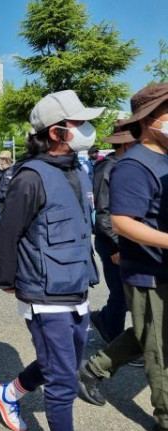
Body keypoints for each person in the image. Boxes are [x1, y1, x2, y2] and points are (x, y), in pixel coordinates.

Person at [0, 90, 102, 431]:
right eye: (78, 123)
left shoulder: (79, 171)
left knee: (62, 360)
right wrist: (8, 281)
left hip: (77, 286)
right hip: (43, 291)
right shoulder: (30, 177)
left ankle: (8, 393)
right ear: (56, 132)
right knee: (63, 380)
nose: (87, 129)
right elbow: (6, 234)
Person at [77, 82, 168, 431]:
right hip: (148, 271)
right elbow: (122, 222)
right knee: (159, 348)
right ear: (149, 120)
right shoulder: (133, 164)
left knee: (153, 333)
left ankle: (94, 368)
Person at [86, 123, 136, 344]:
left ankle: (104, 320)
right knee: (121, 293)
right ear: (126, 142)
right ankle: (113, 339)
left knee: (128, 293)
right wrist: (115, 245)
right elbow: (103, 212)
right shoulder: (107, 167)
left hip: (131, 239)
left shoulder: (130, 165)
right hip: (113, 242)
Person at [0, 150, 14, 218]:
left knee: (8, 218)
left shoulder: (13, 170)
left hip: (10, 199)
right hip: (1, 198)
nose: (2, 161)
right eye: (1, 159)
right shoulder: (0, 170)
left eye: (4, 159)